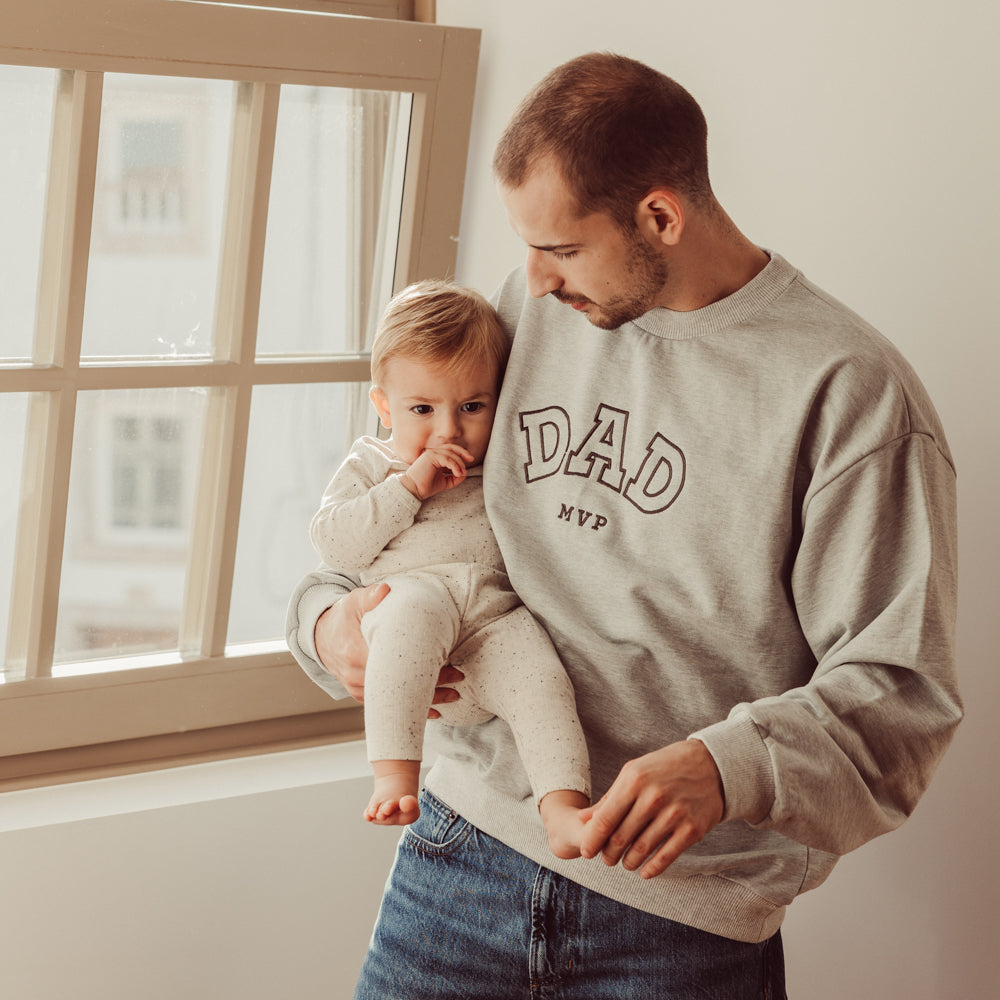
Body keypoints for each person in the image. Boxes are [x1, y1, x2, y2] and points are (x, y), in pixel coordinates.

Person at [286, 53, 961, 998]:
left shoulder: (847, 396)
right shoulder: (536, 310)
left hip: (677, 920)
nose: (531, 280)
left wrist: (727, 768)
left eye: (560, 249)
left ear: (659, 216)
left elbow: (901, 697)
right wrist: (327, 624)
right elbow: (384, 491)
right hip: (457, 856)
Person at [307, 279, 590, 853]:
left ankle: (563, 806)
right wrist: (409, 487)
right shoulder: (374, 463)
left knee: (541, 678)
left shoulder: (505, 462)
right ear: (383, 405)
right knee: (409, 613)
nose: (449, 431)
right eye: (421, 409)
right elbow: (335, 544)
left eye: (471, 407)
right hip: (414, 601)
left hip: (493, 616)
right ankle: (394, 776)